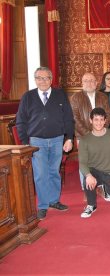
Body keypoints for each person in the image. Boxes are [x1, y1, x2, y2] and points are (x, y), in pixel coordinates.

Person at [16, 67, 74, 220]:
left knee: (54, 172)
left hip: (57, 140)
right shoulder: (28, 97)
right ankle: (42, 205)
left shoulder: (60, 94)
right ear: (35, 79)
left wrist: (69, 138)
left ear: (51, 79)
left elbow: (68, 117)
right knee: (41, 174)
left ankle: (54, 201)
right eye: (39, 78)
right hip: (36, 141)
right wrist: (24, 142)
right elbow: (20, 121)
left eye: (46, 77)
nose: (43, 81)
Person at [78, 108, 110, 218]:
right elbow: (82, 162)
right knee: (88, 176)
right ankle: (91, 205)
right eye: (96, 119)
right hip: (94, 172)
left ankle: (106, 188)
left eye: (101, 119)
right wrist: (88, 175)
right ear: (90, 120)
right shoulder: (85, 140)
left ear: (105, 120)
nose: (99, 122)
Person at [70, 72, 110, 199]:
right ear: (82, 83)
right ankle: (87, 189)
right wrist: (89, 135)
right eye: (86, 81)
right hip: (83, 136)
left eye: (92, 80)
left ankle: (99, 187)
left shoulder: (103, 97)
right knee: (85, 162)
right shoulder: (75, 97)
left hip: (101, 135)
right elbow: (75, 119)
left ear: (96, 83)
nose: (89, 83)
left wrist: (100, 132)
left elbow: (109, 115)